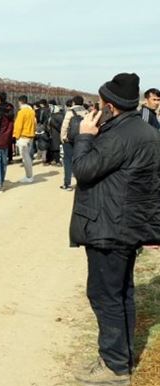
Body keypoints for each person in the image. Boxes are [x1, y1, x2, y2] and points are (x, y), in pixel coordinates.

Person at [70, 72, 160, 385]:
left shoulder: (117, 136)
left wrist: (84, 135)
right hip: (129, 225)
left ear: (110, 105)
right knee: (122, 293)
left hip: (108, 226)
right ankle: (119, 356)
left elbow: (82, 170)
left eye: (100, 103)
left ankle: (115, 367)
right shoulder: (145, 131)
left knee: (104, 294)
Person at [60, 96, 88, 191]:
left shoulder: (70, 112)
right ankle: (82, 183)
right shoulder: (86, 112)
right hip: (82, 139)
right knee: (81, 161)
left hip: (69, 140)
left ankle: (67, 184)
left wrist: (63, 137)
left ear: (73, 102)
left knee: (67, 160)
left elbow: (65, 126)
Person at [13, 95, 36, 183]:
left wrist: (16, 136)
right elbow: (34, 123)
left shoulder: (22, 112)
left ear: (20, 102)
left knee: (25, 158)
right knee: (27, 157)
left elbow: (18, 126)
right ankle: (29, 176)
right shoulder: (32, 111)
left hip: (23, 137)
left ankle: (29, 176)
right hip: (30, 136)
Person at [47, 100, 64, 166]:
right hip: (52, 133)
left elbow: (61, 126)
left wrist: (52, 122)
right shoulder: (52, 114)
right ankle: (55, 160)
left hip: (57, 133)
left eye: (50, 106)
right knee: (54, 147)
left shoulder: (59, 114)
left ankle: (58, 161)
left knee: (57, 148)